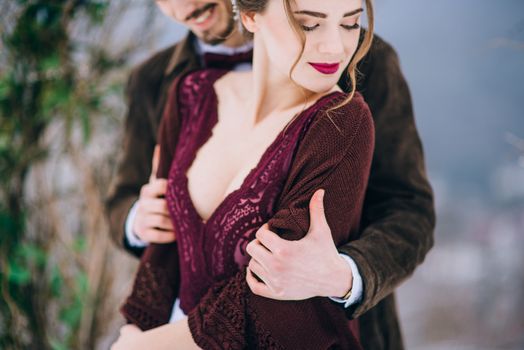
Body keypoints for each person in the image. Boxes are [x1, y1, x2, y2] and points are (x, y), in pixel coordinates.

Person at [105, 0, 435, 349]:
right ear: (250, 15)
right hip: (172, 325)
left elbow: (407, 209)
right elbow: (138, 206)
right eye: (308, 24)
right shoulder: (172, 86)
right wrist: (139, 221)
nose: (186, 4)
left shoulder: (357, 84)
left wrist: (345, 275)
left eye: (349, 24)